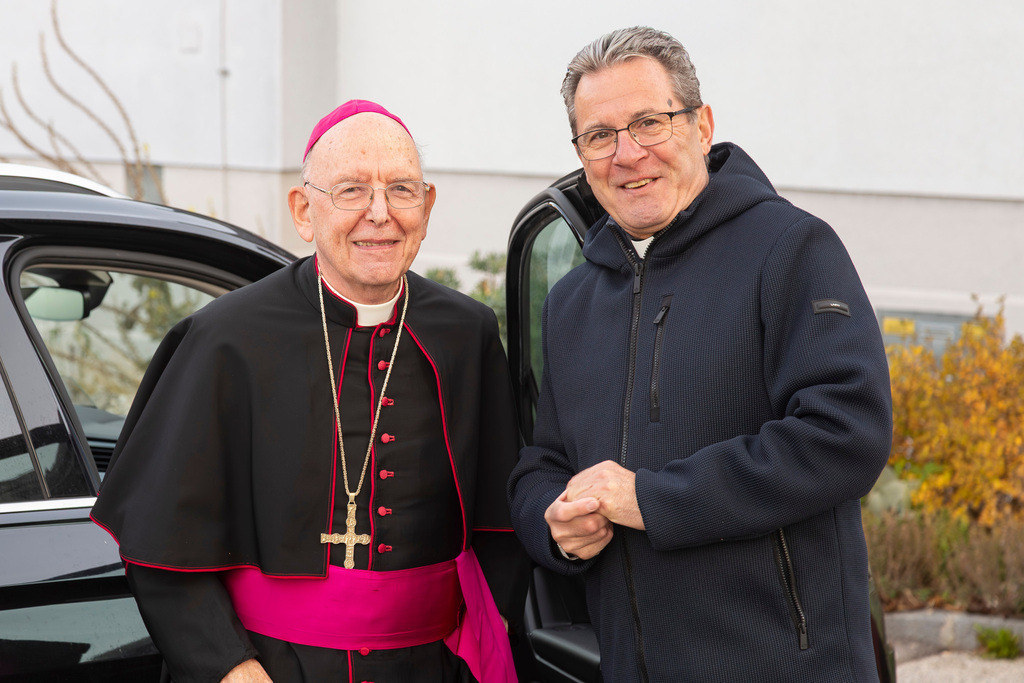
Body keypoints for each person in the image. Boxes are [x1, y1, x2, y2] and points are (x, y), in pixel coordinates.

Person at [507, 27, 893, 682]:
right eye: (600, 135)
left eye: (649, 123)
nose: (627, 153)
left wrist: (653, 499)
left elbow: (845, 432)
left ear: (701, 125)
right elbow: (544, 460)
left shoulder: (791, 249)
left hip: (786, 665)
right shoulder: (571, 300)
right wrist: (553, 522)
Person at [93, 100, 525, 683]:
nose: (381, 214)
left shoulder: (467, 333)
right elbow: (162, 544)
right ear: (303, 210)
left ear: (426, 205)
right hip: (269, 668)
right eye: (351, 190)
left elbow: (502, 528)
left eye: (401, 189)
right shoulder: (226, 338)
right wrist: (231, 668)